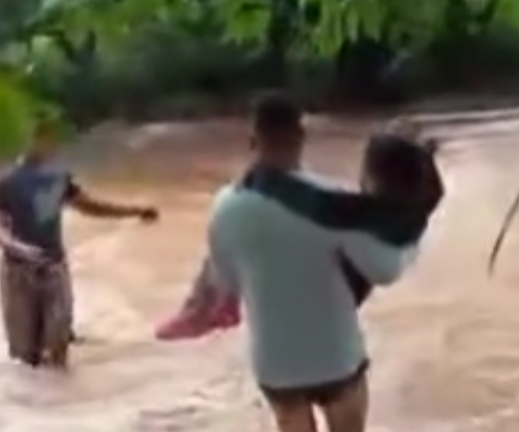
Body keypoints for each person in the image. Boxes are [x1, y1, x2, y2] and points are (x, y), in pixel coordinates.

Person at [204, 93, 420, 432]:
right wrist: (411, 239)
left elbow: (227, 283)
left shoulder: (224, 209)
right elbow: (384, 270)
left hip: (275, 366)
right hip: (335, 358)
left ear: (252, 141)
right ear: (302, 136)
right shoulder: (330, 202)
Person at [155, 123, 442, 340]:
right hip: (356, 280)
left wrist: (261, 178)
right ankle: (216, 299)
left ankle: (207, 303)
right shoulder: (422, 199)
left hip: (333, 292)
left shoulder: (363, 212)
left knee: (250, 225)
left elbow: (310, 201)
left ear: (373, 176)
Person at [0, 117, 158, 368]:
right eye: (39, 138)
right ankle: (32, 404)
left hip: (53, 266)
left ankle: (61, 400)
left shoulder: (59, 178)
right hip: (18, 271)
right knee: (25, 358)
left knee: (58, 346)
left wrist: (134, 211)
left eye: (49, 140)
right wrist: (18, 248)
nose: (46, 146)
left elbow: (89, 206)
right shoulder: (7, 183)